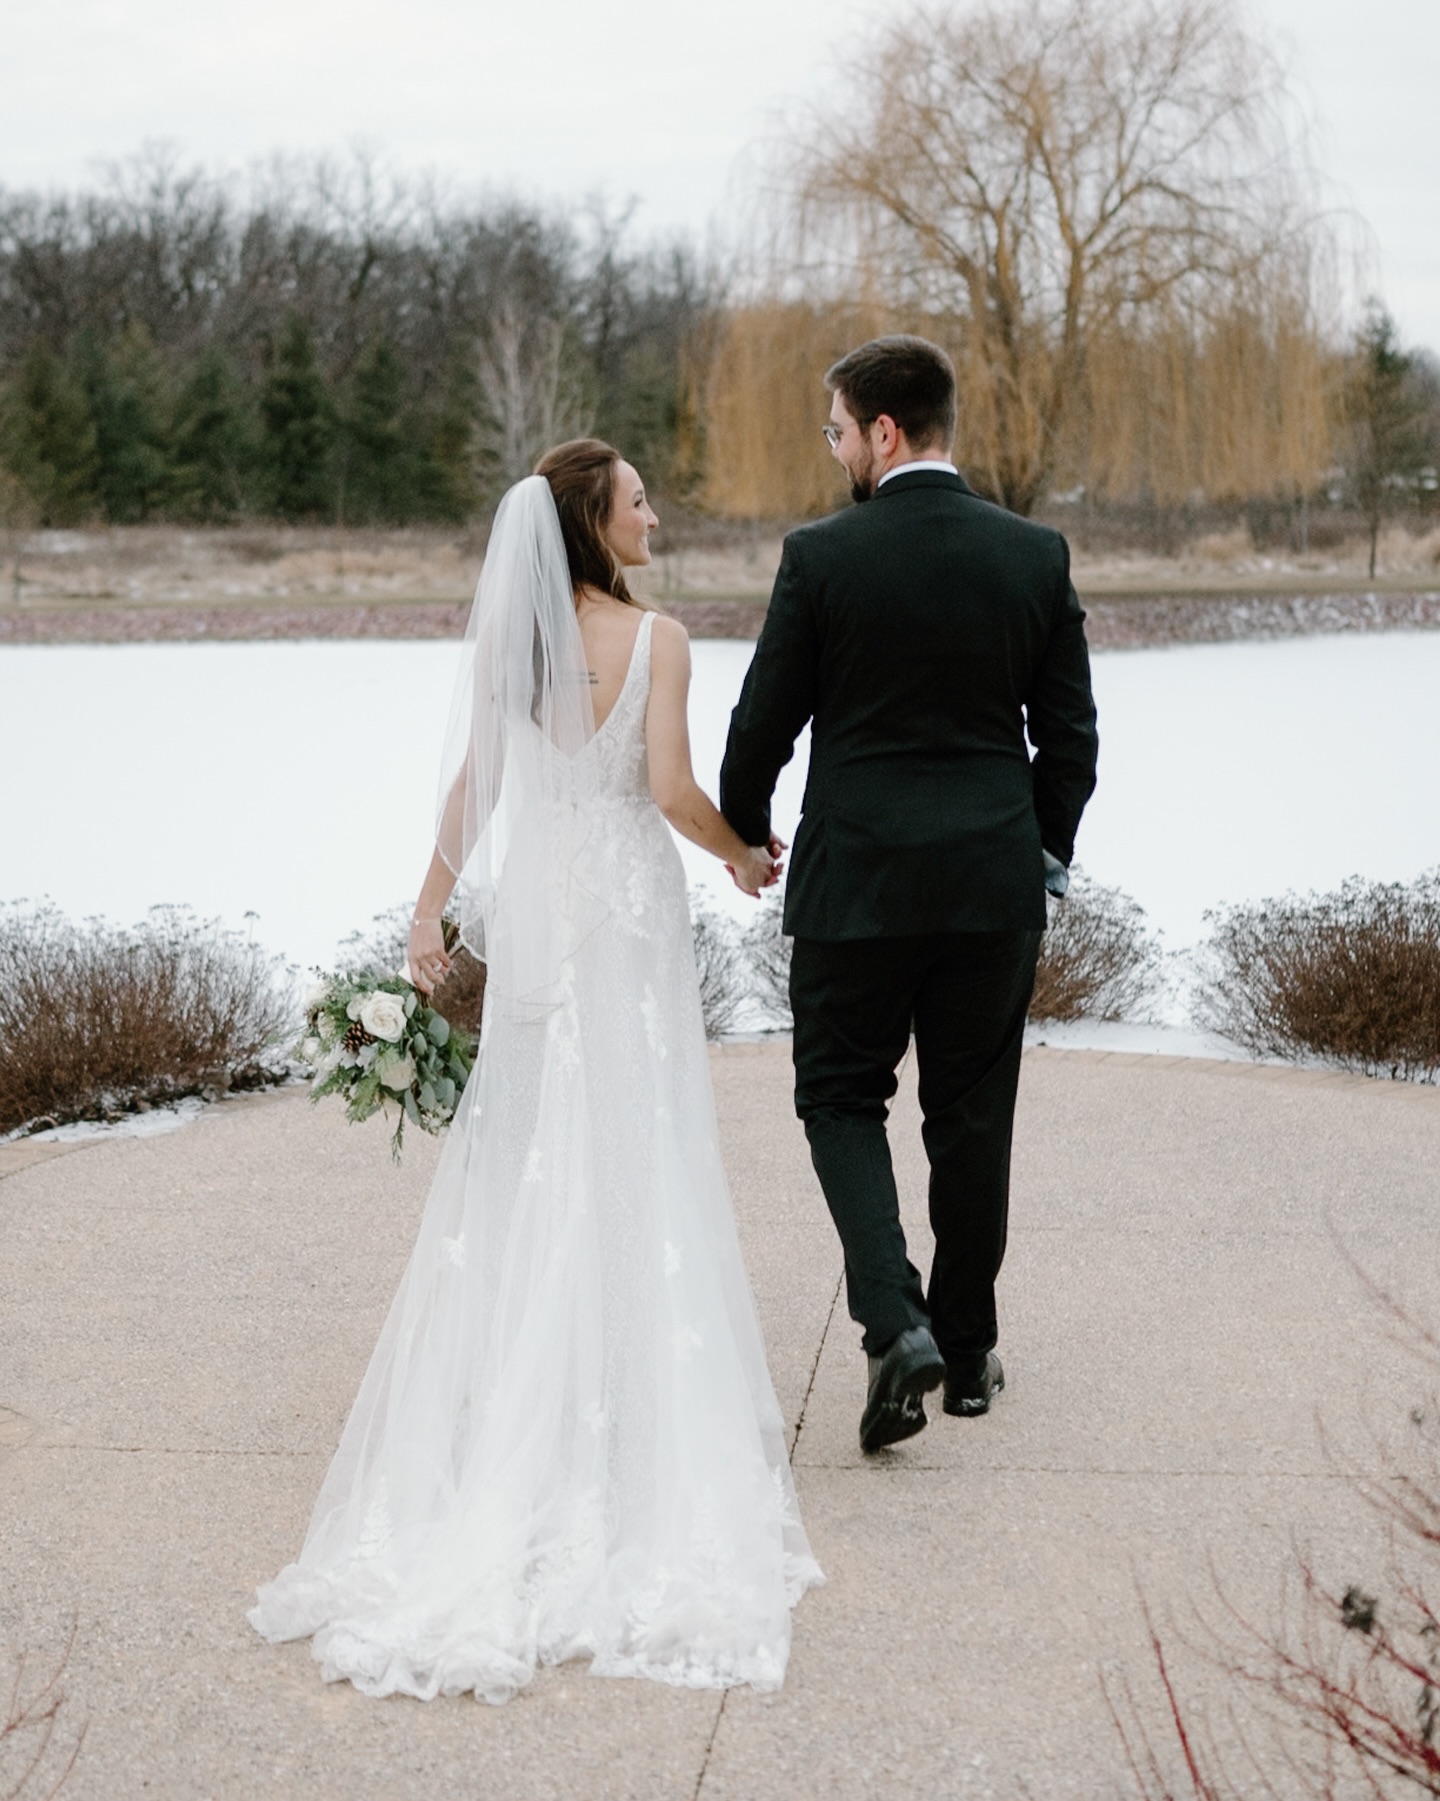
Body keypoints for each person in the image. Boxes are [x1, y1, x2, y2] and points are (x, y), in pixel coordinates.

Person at [249, 440, 822, 1701]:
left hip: (542, 917)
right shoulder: (657, 638)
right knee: (635, 1143)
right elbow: (670, 787)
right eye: (636, 501)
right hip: (623, 919)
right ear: (593, 524)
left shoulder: (514, 646)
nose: (654, 513)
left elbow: (476, 789)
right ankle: (617, 1407)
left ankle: (521, 1397)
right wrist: (735, 854)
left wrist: (426, 917)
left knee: (526, 1156)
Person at [720, 336, 1099, 1455]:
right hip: (991, 884)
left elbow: (761, 724)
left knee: (840, 1096)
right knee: (972, 1114)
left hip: (859, 887)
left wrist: (748, 827)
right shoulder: (1033, 554)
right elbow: (1069, 735)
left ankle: (897, 1326)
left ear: (884, 432)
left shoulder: (822, 557)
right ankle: (969, 1352)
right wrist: (1041, 849)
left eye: (838, 430)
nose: (834, 450)